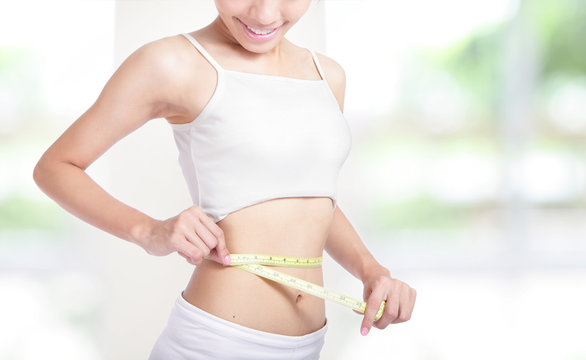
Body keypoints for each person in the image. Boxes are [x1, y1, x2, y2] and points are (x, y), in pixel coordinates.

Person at [33, 0, 416, 358]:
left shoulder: (328, 75)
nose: (264, 14)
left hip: (310, 346)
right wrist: (148, 231)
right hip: (213, 343)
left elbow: (311, 202)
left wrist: (372, 272)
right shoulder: (172, 62)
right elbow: (55, 166)